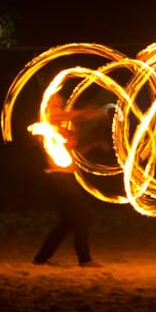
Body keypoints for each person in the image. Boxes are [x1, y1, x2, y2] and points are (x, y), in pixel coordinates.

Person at [32, 93, 108, 268]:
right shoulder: (46, 123)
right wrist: (84, 113)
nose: (59, 106)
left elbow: (74, 151)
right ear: (46, 105)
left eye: (60, 103)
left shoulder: (63, 127)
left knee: (67, 222)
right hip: (59, 178)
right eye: (55, 103)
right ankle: (85, 259)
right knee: (82, 216)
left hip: (66, 176)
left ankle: (41, 258)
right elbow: (61, 116)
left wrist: (95, 142)